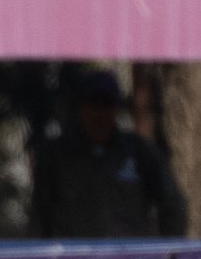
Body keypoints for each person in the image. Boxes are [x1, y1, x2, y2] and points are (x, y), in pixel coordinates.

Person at [32, 70, 187, 239]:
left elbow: (172, 203)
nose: (100, 114)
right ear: (80, 107)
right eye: (93, 104)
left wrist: (167, 253)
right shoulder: (56, 156)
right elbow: (39, 216)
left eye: (107, 105)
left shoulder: (139, 152)